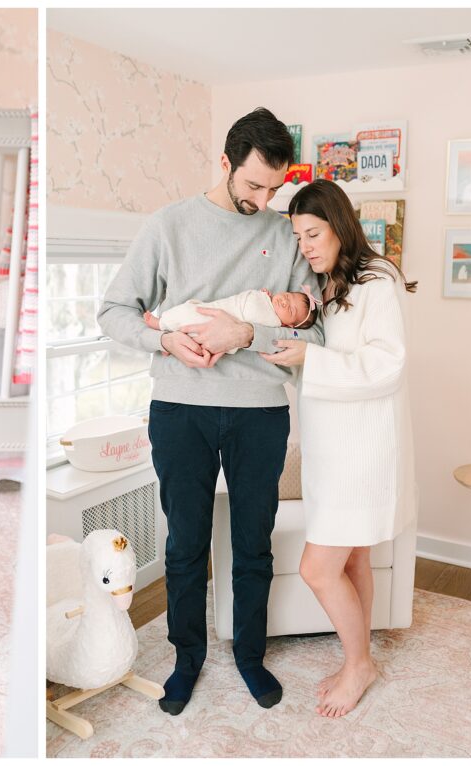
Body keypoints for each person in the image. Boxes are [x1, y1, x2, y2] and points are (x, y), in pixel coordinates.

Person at [98, 107, 323, 715]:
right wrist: (163, 340)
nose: (265, 199)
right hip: (180, 408)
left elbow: (316, 334)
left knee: (253, 542)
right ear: (224, 163)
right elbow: (114, 311)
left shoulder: (285, 234)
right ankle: (186, 658)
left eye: (275, 187)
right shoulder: (167, 226)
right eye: (254, 184)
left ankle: (250, 655)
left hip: (258, 412)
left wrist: (245, 334)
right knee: (184, 546)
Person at [261, 178, 417, 718]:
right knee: (353, 562)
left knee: (318, 568)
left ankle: (359, 666)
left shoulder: (376, 282)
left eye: (313, 232)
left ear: (339, 226)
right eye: (298, 235)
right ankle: (361, 658)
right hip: (330, 449)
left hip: (362, 451)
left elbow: (387, 364)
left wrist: (310, 360)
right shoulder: (325, 286)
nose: (304, 244)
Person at [143, 285, 320, 353]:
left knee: (189, 317)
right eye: (288, 296)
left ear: (288, 325)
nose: (284, 301)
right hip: (218, 309)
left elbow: (252, 314)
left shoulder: (272, 323)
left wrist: (260, 300)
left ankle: (160, 323)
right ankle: (166, 334)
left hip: (223, 327)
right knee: (191, 311)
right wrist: (264, 296)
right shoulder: (268, 302)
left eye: (290, 309)